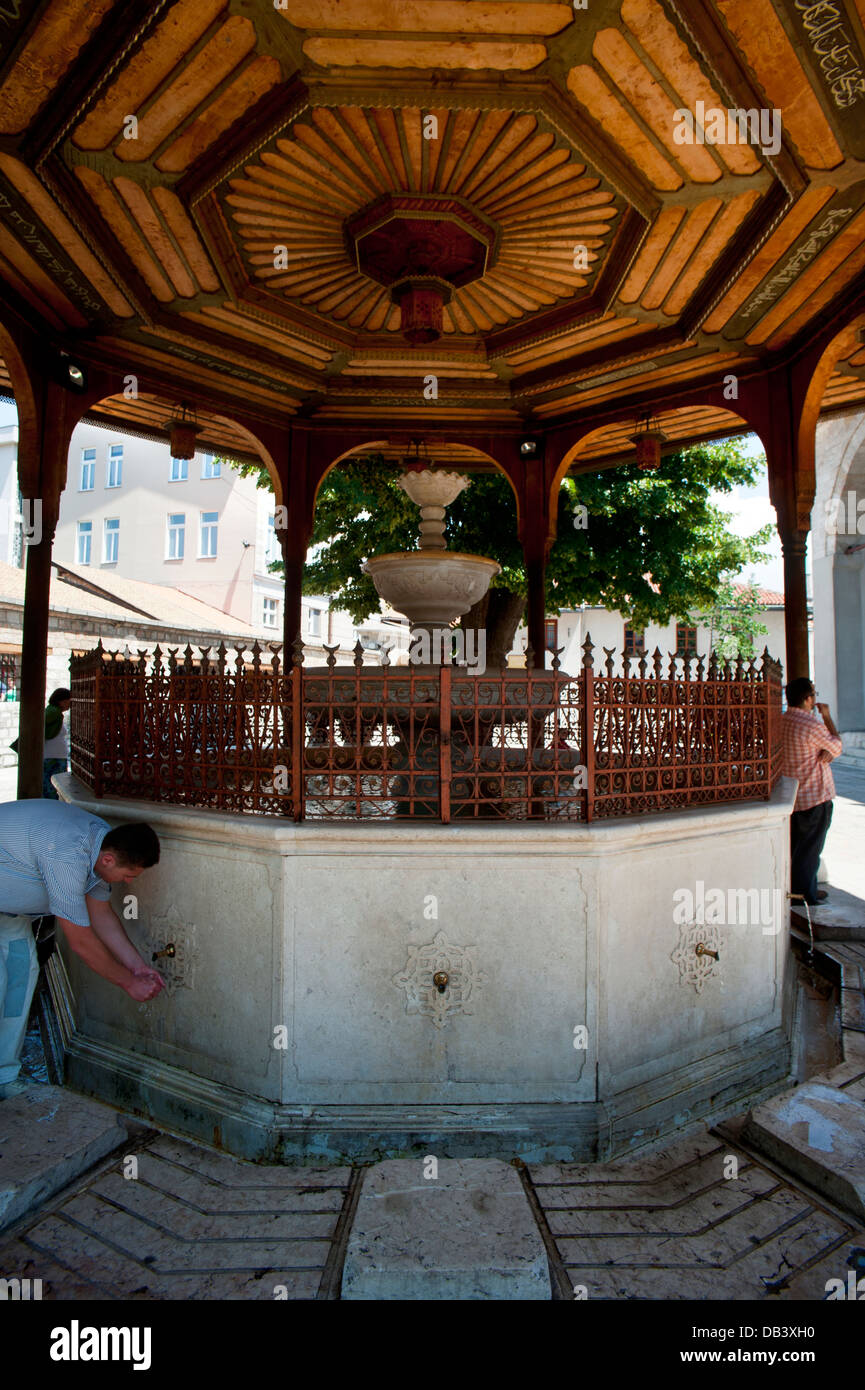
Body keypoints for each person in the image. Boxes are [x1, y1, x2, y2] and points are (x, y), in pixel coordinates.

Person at [0, 800, 165, 1098]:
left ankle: (4, 1077)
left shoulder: (100, 843)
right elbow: (80, 941)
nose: (128, 883)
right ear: (110, 860)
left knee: (21, 977)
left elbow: (101, 915)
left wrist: (137, 966)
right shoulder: (67, 853)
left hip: (8, 913)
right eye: (129, 875)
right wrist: (127, 982)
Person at [781, 676, 843, 907]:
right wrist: (827, 717)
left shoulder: (783, 721)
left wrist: (825, 750)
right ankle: (805, 895)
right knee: (810, 850)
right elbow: (836, 745)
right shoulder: (812, 725)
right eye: (813, 695)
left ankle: (804, 889)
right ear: (808, 699)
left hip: (793, 795)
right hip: (815, 795)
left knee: (797, 847)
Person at [42, 687, 72, 798]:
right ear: (62, 701)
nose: (70, 704)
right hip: (53, 757)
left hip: (54, 756)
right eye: (69, 701)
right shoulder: (53, 712)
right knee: (53, 789)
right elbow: (40, 724)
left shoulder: (54, 711)